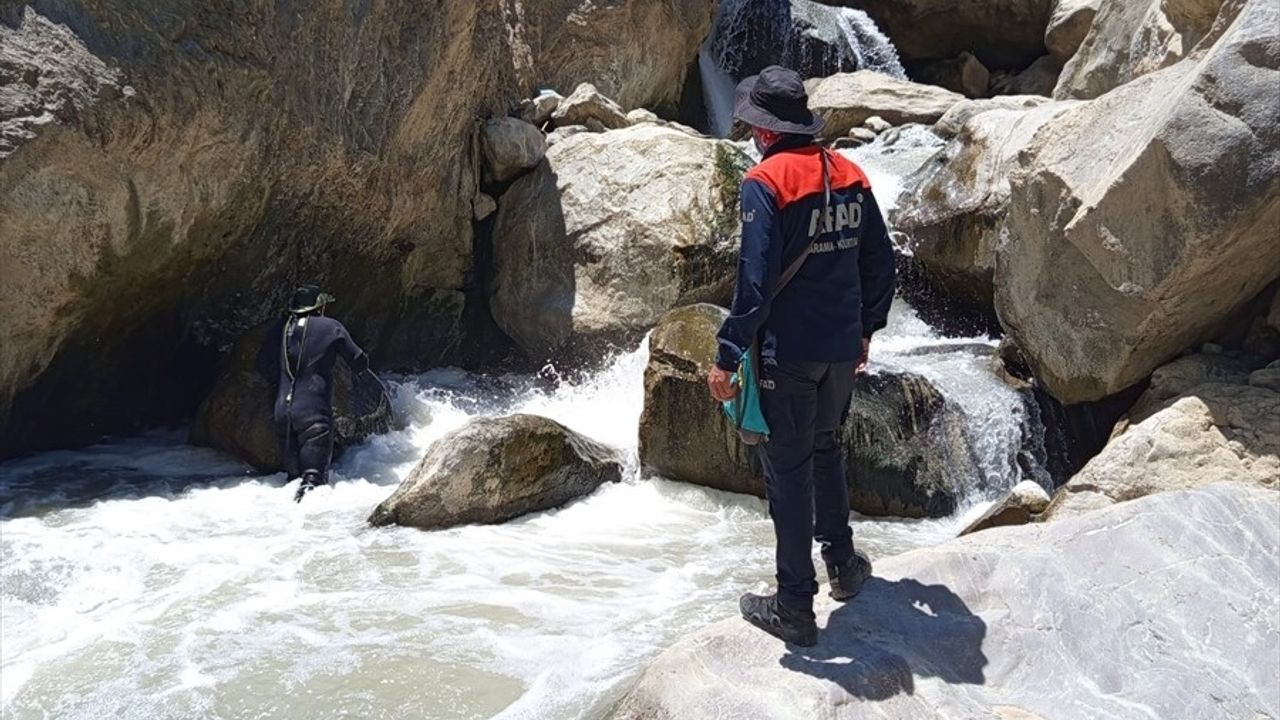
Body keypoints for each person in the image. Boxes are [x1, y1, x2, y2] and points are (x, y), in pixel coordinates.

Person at [707, 65, 896, 646]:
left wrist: (726, 354)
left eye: (752, 126)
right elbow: (881, 263)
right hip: (841, 347)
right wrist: (867, 329)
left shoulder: (765, 182)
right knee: (826, 449)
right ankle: (843, 565)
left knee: (787, 475)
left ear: (766, 131)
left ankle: (793, 606)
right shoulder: (850, 172)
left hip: (787, 354)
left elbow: (755, 283)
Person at [257, 285, 371, 503]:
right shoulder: (331, 327)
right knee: (312, 482)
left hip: (282, 412)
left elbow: (263, 366)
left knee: (292, 480)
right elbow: (358, 361)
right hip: (314, 412)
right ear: (319, 306)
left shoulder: (279, 329)